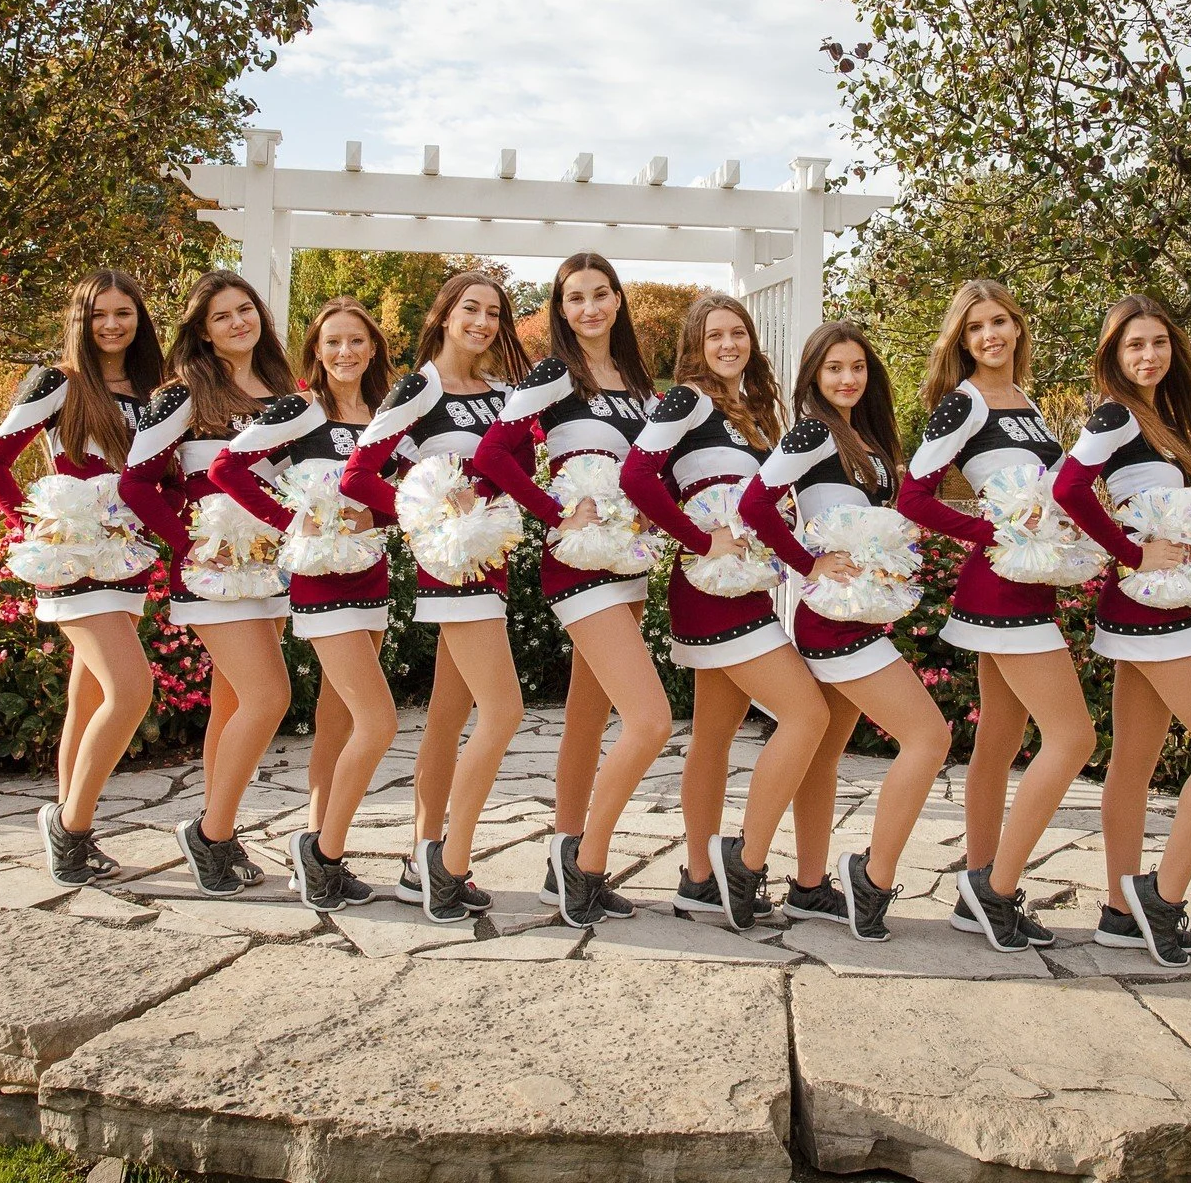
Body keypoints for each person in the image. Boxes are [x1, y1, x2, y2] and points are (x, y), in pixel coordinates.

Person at [1050, 294, 1191, 968]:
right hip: (1149, 606)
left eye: (1158, 343)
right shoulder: (1113, 414)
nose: (1149, 355)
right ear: (1114, 354)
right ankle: (1160, 901)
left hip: (1151, 605)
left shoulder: (1159, 418)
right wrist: (1131, 552)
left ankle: (1118, 910)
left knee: (1133, 766)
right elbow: (1070, 490)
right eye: (1134, 345)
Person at [895, 280, 1095, 952]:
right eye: (977, 326)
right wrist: (991, 534)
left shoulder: (1030, 404)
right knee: (1074, 739)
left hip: (1029, 584)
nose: (992, 334)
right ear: (962, 338)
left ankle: (976, 887)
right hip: (1000, 589)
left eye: (1002, 321)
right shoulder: (964, 403)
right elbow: (913, 496)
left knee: (999, 743)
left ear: (1019, 327)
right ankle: (998, 889)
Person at [619, 293, 830, 930]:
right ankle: (743, 858)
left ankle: (698, 879)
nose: (729, 345)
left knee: (712, 737)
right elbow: (637, 476)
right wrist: (698, 537)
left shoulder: (754, 413)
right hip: (711, 589)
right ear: (695, 345)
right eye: (715, 336)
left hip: (746, 585)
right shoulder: (686, 400)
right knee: (805, 712)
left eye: (738, 333)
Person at [470, 253, 668, 929]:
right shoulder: (554, 375)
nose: (588, 308)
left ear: (618, 300)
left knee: (589, 717)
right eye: (574, 297)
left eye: (600, 294)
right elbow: (491, 454)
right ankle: (587, 864)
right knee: (650, 720)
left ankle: (562, 853)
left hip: (630, 559)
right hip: (578, 563)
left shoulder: (640, 382)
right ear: (561, 307)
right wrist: (555, 512)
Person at [739, 321, 953, 942]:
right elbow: (756, 502)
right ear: (814, 376)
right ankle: (871, 877)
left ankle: (807, 887)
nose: (848, 379)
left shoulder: (866, 439)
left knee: (824, 756)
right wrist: (808, 563)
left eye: (857, 367)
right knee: (928, 737)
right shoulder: (810, 433)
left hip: (857, 611)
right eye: (834, 368)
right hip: (830, 619)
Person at [341, 271, 531, 923]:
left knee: (449, 720)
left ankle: (421, 858)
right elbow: (359, 475)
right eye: (470, 308)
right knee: (504, 712)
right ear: (446, 313)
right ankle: (449, 867)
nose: (481, 321)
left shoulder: (503, 394)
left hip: (493, 564)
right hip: (454, 569)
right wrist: (423, 509)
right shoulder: (416, 389)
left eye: (492, 313)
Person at [0, 270, 162, 888]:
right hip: (73, 558)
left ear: (140, 320)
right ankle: (70, 827)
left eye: (123, 313)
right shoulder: (59, 384)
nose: (111, 325)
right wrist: (38, 525)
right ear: (80, 322)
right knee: (131, 690)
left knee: (87, 697)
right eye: (98, 314)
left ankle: (72, 828)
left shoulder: (155, 389)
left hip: (124, 557)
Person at [210, 296, 396, 911]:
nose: (346, 353)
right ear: (316, 351)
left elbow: (409, 489)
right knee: (379, 721)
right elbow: (226, 469)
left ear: (374, 350)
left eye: (358, 342)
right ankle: (325, 855)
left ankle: (315, 848)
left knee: (337, 720)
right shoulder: (299, 410)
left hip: (372, 576)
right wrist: (293, 520)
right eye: (333, 342)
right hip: (320, 582)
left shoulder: (387, 415)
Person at [120, 272, 298, 897]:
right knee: (269, 696)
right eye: (221, 317)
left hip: (270, 566)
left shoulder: (285, 391)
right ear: (200, 330)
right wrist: (190, 541)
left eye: (245, 310)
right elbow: (136, 483)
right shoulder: (180, 396)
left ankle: (221, 830)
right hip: (212, 574)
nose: (238, 323)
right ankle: (210, 834)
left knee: (232, 704)